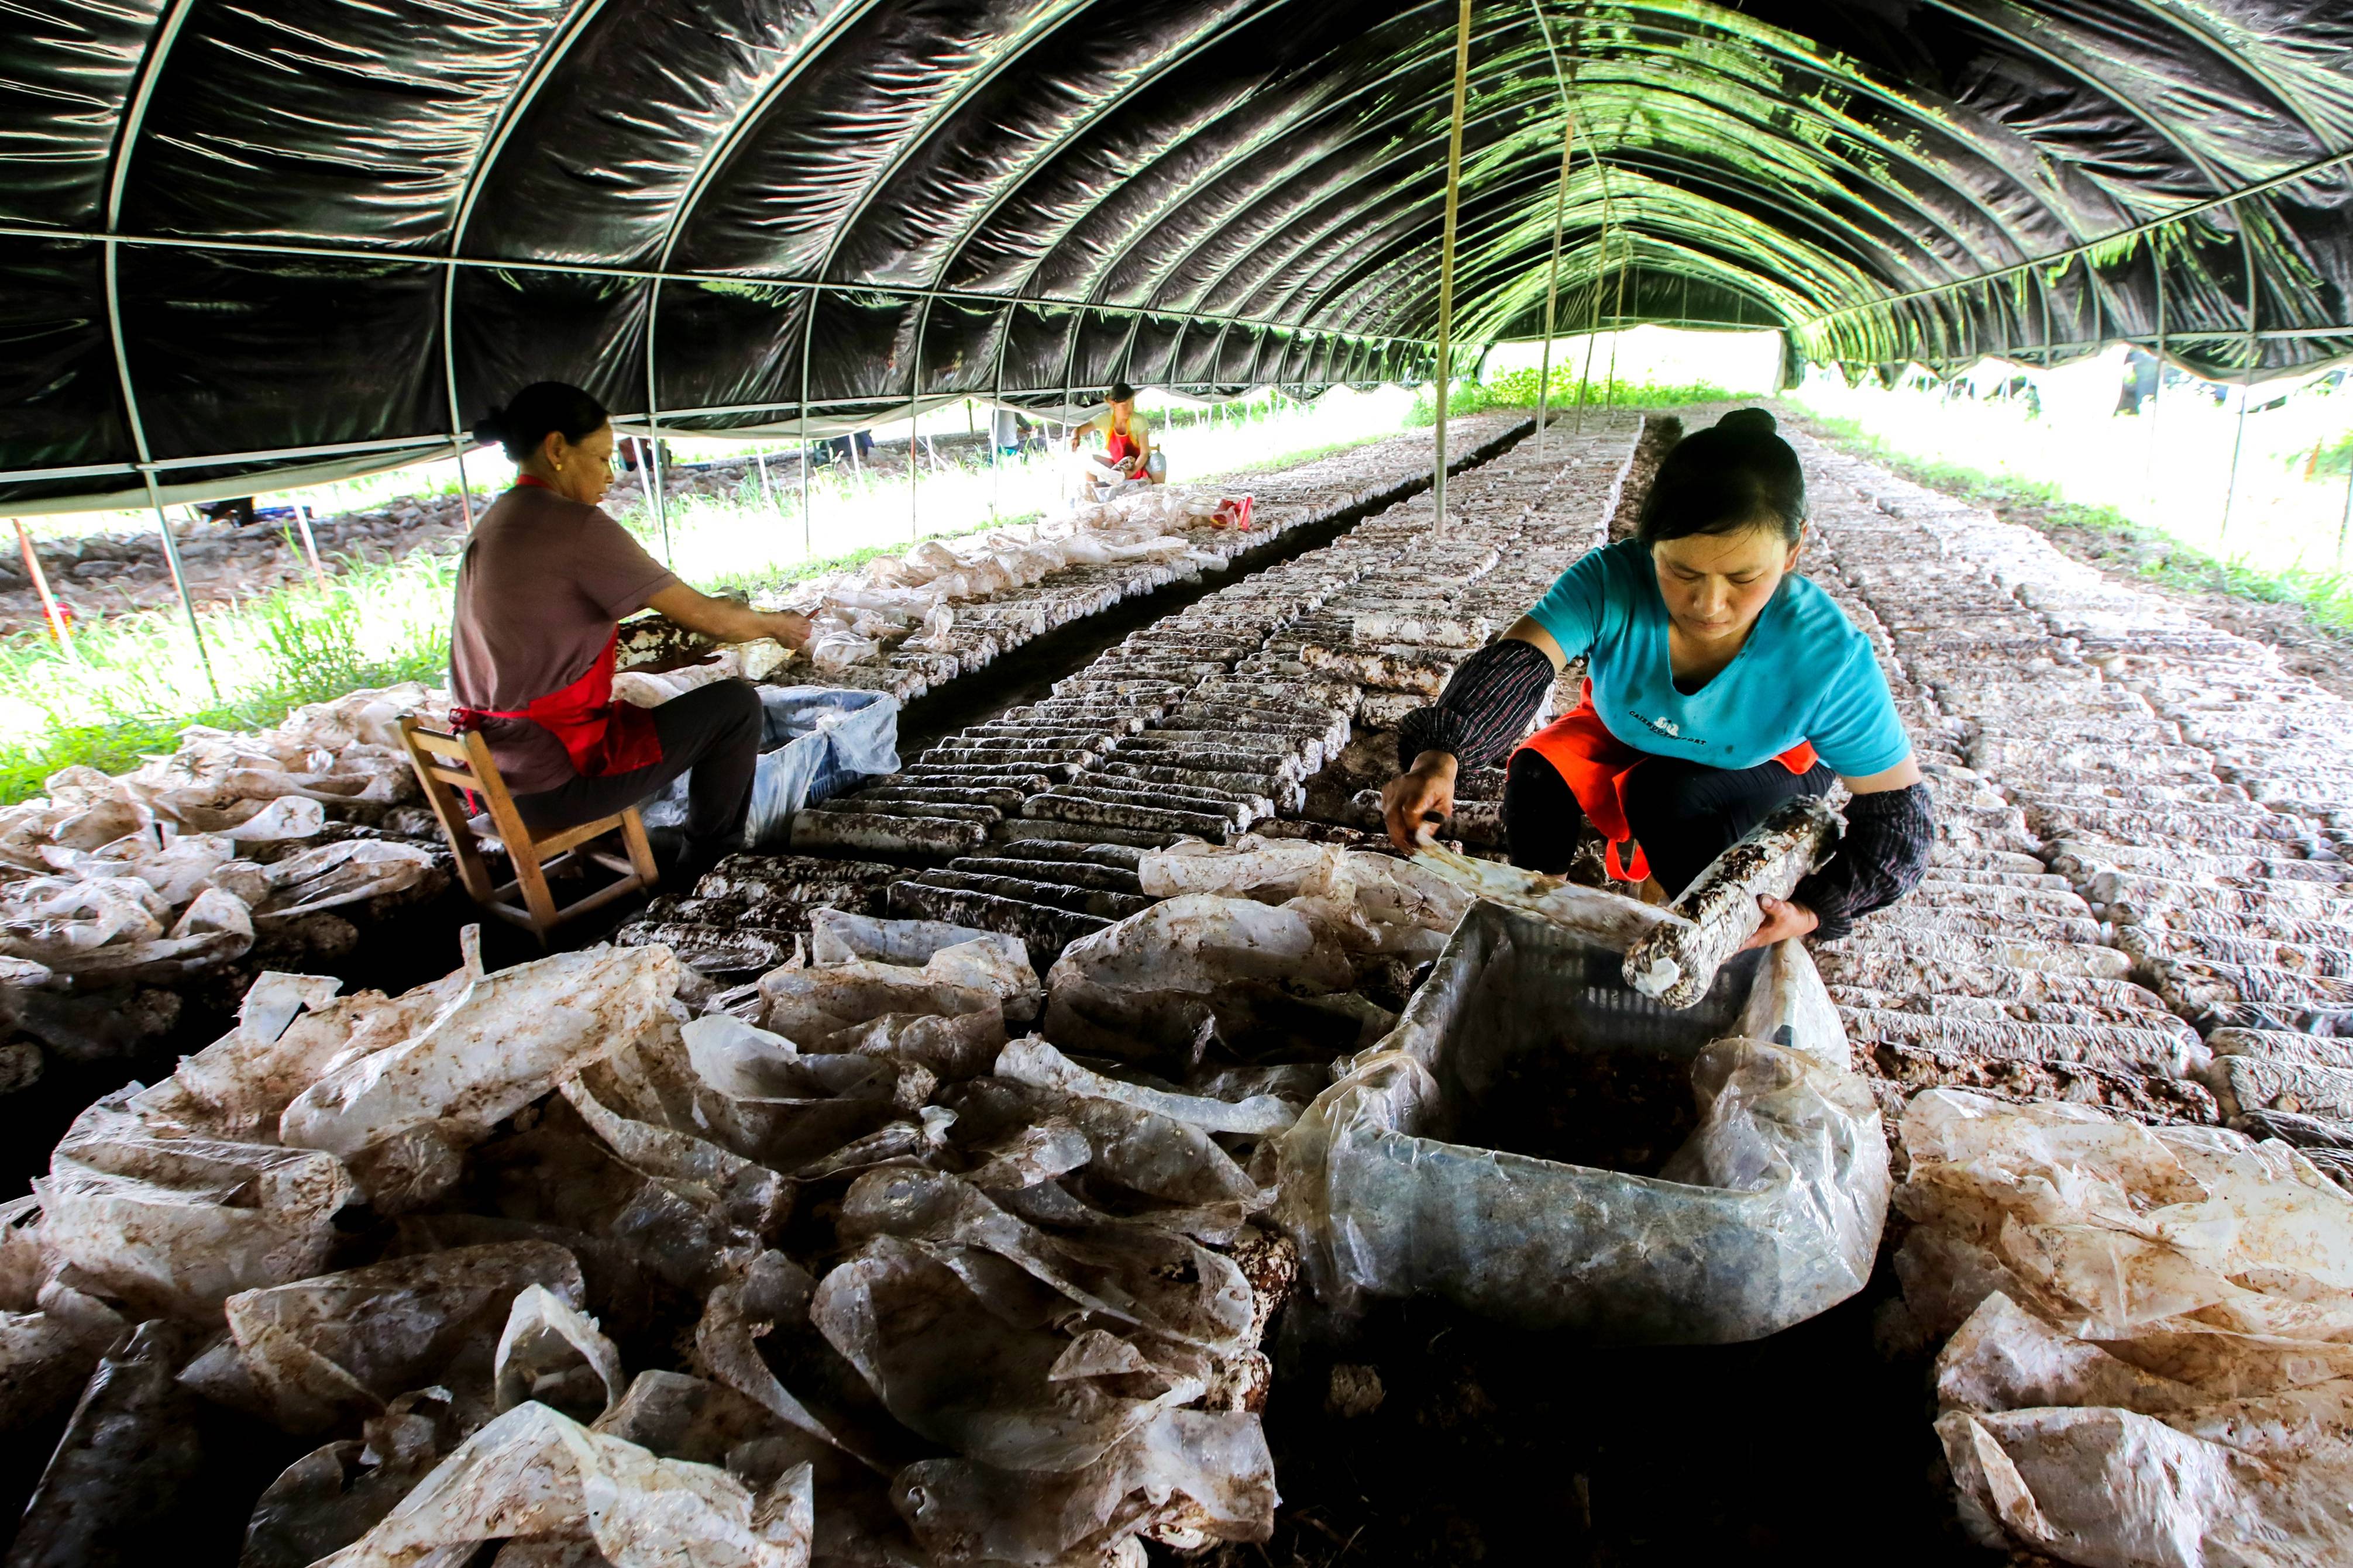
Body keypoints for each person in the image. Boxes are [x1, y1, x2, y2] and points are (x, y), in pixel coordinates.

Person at [1380, 408, 1933, 947]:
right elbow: (1519, 662)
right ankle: (1534, 927)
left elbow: (1899, 818)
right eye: (1681, 571)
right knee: (1536, 770)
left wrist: (1814, 909)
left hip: (1766, 760)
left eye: (1743, 578)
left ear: (1793, 551)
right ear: (1650, 544)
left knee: (1666, 795)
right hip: (1634, 727)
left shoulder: (1826, 656)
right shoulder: (1611, 581)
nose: (1709, 604)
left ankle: (1697, 939)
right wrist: (1439, 758)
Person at [448, 381, 812, 878]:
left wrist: (670, 653)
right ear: (556, 449)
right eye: (601, 458)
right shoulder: (576, 525)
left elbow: (548, 650)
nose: (610, 475)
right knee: (736, 706)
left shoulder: (494, 523)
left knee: (680, 711)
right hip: (556, 782)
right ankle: (705, 870)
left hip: (498, 776)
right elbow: (710, 616)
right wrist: (778, 625)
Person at [1069, 381, 1165, 490]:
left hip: (1140, 465)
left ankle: (1158, 491)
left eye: (1132, 404)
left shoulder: (1139, 420)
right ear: (1113, 404)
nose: (1130, 409)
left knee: (1159, 458)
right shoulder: (1105, 418)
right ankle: (1095, 493)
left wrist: (1132, 472)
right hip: (1117, 466)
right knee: (1089, 462)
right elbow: (1079, 430)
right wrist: (1075, 437)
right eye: (1125, 405)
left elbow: (1145, 453)